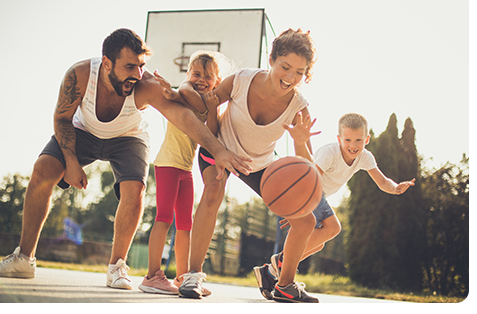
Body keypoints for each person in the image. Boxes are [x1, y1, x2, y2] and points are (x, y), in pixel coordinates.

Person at [0, 28, 251, 290]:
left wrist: (218, 150)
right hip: (82, 132)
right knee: (43, 169)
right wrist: (70, 159)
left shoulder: (144, 85)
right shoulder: (79, 75)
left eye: (141, 66)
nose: (137, 74)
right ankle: (23, 258)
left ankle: (117, 266)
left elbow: (183, 117)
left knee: (134, 188)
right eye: (129, 67)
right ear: (107, 63)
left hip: (128, 137)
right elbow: (62, 118)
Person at [172, 28, 322, 302]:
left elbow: (307, 168)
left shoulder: (299, 105)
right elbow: (209, 105)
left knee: (307, 221)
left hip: (258, 164)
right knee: (213, 190)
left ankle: (284, 285)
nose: (290, 77)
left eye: (299, 72)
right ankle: (192, 275)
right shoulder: (241, 80)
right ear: (272, 59)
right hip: (219, 149)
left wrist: (300, 141)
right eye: (285, 67)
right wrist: (217, 147)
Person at [253, 112, 416, 300]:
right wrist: (297, 209)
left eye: (358, 140)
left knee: (318, 244)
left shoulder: (365, 157)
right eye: (347, 140)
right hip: (307, 190)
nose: (353, 145)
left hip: (317, 194)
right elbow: (308, 177)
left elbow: (382, 181)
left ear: (367, 139)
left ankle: (272, 270)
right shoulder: (329, 153)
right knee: (333, 227)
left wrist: (396, 188)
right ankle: (281, 275)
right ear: (339, 139)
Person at [138, 50, 232, 295]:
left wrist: (212, 109)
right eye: (196, 73)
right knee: (163, 218)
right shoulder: (185, 91)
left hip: (185, 169)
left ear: (217, 82)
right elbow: (185, 92)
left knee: (185, 225)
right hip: (168, 163)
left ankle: (182, 277)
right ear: (189, 73)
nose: (201, 79)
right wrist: (175, 94)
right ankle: (152, 275)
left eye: (208, 76)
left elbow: (210, 135)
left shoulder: (207, 104)